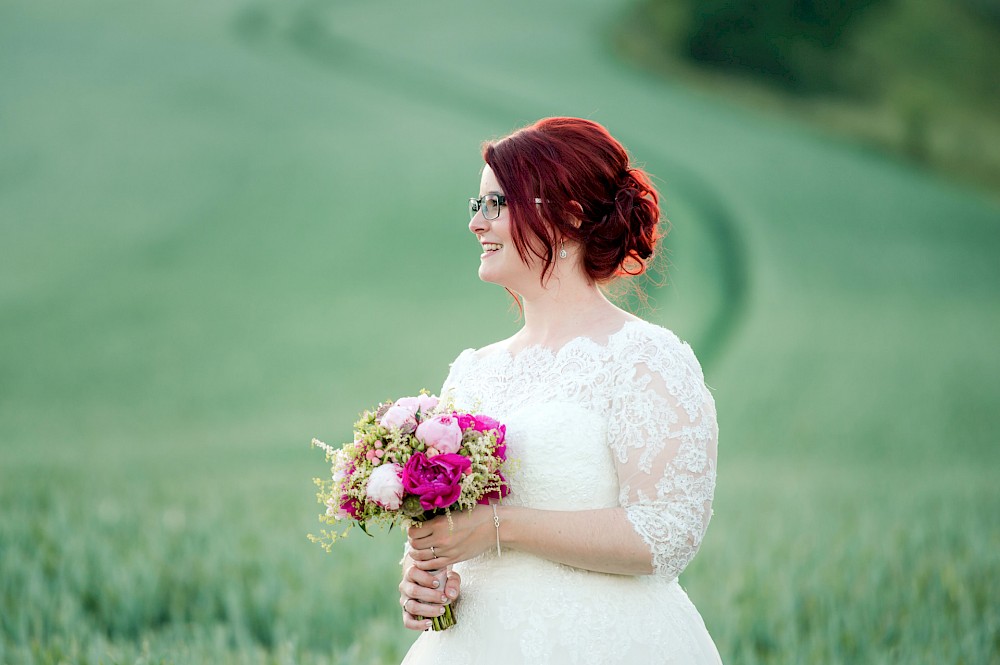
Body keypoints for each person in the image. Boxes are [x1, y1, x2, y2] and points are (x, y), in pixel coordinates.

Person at [397, 117, 721, 664]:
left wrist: (499, 529)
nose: (478, 223)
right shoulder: (472, 372)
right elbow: (453, 530)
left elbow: (664, 534)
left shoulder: (645, 359)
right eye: (475, 205)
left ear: (568, 215)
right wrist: (423, 577)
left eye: (497, 203)